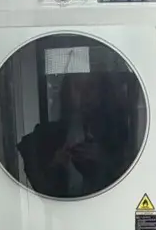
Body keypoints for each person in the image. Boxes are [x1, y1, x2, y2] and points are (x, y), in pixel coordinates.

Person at [17, 68, 131, 197]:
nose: (84, 94)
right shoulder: (45, 136)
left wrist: (103, 160)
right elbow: (40, 187)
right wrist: (56, 164)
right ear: (67, 92)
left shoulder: (118, 135)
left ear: (102, 92)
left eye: (91, 87)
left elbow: (131, 181)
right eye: (77, 87)